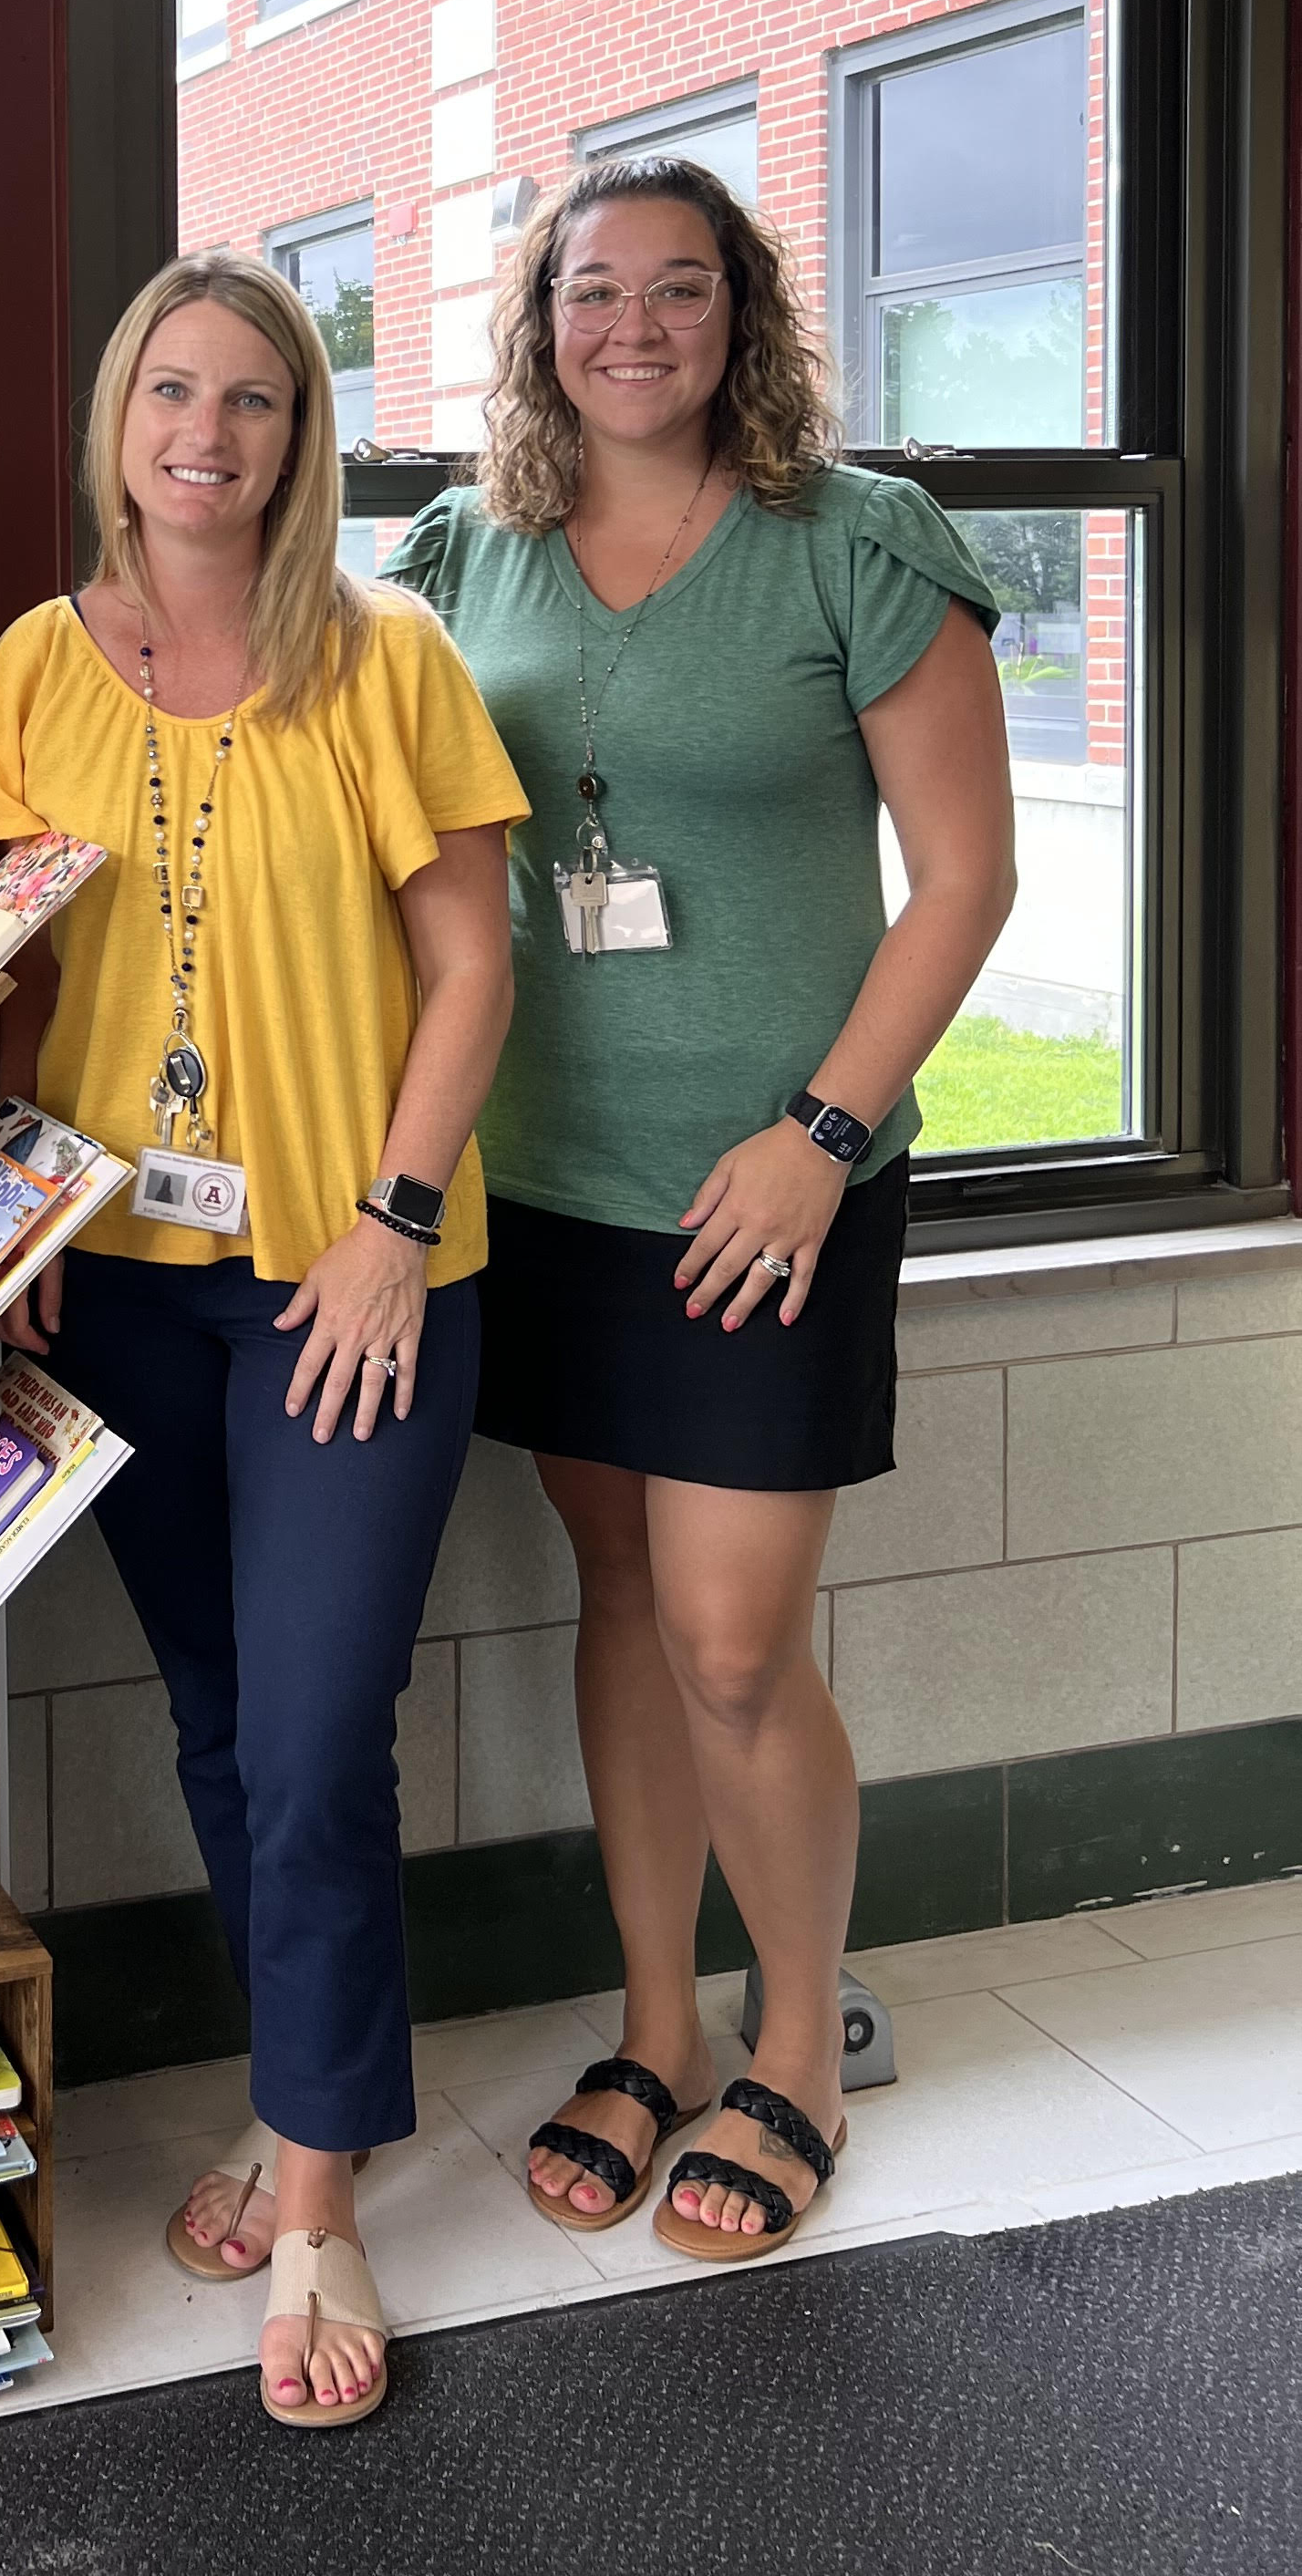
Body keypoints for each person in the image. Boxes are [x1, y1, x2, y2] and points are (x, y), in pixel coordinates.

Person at [388, 153, 1013, 2270]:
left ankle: (798, 2053)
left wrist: (823, 1136)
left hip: (772, 1192)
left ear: (741, 314)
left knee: (738, 1643)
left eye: (677, 289)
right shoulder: (468, 546)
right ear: (537, 319)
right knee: (630, 1611)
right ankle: (655, 2030)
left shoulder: (858, 543)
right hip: (545, 1181)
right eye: (590, 291)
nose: (630, 327)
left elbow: (965, 882)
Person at [0, 253, 523, 2426]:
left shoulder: (386, 659)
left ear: (304, 437)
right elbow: (22, 970)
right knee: (216, 1721)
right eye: (172, 395)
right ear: (118, 422)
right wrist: (5, 1221)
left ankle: (319, 2211)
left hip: (353, 1287)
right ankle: (311, 2101)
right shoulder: (38, 662)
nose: (208, 435)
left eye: (258, 401)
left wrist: (394, 1223)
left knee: (310, 1738)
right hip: (117, 1283)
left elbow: (474, 969)